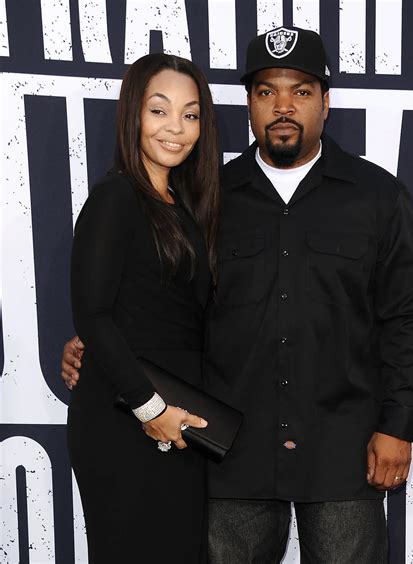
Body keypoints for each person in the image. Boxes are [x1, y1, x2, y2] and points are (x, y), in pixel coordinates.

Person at [63, 28, 413, 563]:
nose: (283, 106)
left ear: (326, 103)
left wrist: (397, 425)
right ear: (248, 105)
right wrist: (95, 344)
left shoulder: (378, 196)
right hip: (231, 454)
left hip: (343, 451)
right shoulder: (204, 197)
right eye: (266, 91)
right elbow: (161, 294)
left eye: (301, 91)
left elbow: (410, 317)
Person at [66, 52, 220, 563]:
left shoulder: (184, 205)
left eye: (190, 114)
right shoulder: (116, 197)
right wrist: (150, 410)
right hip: (128, 421)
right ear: (132, 113)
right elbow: (93, 314)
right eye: (159, 110)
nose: (175, 127)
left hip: (179, 419)